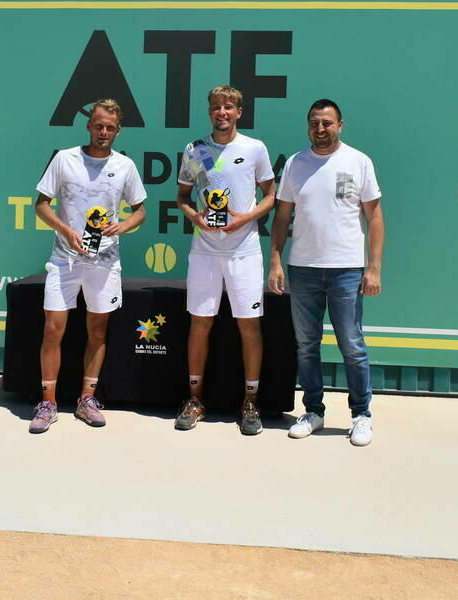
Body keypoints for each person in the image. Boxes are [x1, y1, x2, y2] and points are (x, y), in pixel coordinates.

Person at [267, 99, 384, 447]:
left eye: (327, 123)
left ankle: (361, 415)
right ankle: (314, 411)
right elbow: (282, 218)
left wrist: (374, 268)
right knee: (306, 346)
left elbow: (374, 217)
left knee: (352, 346)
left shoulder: (358, 161)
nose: (321, 129)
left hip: (347, 269)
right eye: (315, 123)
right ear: (308, 126)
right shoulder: (295, 164)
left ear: (340, 125)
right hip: (302, 269)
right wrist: (275, 259)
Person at [30, 99, 147, 433]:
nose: (104, 132)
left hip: (105, 262)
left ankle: (87, 399)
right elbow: (41, 205)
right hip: (64, 259)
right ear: (88, 125)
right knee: (53, 328)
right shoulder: (64, 159)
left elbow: (140, 210)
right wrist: (65, 229)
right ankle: (48, 402)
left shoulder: (124, 166)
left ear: (118, 130)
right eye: (98, 126)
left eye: (110, 127)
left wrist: (122, 226)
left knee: (97, 331)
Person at [174, 86, 276, 435]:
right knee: (200, 323)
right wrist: (195, 217)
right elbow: (183, 197)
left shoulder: (254, 148)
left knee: (249, 325)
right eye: (216, 107)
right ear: (210, 112)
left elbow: (271, 195)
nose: (222, 112)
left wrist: (245, 218)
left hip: (244, 251)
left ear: (239, 112)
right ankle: (195, 399)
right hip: (204, 250)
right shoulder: (195, 150)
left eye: (228, 107)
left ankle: (250, 401)